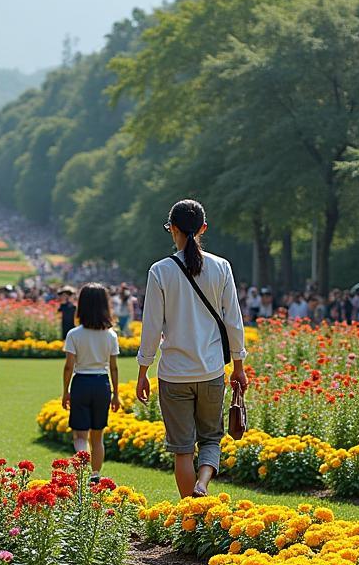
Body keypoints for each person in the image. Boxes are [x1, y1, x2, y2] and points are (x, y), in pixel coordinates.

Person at [136, 199, 248, 499]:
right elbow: (234, 322)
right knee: (211, 438)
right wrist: (238, 366)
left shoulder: (160, 271)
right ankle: (203, 483)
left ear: (172, 229)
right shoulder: (221, 267)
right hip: (210, 370)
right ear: (203, 228)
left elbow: (151, 327)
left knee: (182, 450)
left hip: (174, 374)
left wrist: (143, 370)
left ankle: (190, 513)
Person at [61, 284, 121, 482]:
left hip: (81, 383)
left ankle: (81, 464)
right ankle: (95, 474)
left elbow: (69, 367)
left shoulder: (74, 334)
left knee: (80, 436)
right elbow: (114, 368)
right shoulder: (111, 335)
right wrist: (116, 394)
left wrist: (65, 391)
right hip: (102, 384)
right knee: (98, 437)